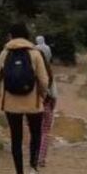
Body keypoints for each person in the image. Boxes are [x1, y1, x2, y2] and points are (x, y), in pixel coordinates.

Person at [0, 22, 49, 174]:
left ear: (11, 36)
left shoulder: (5, 53)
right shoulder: (35, 53)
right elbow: (44, 80)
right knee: (36, 134)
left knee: (16, 138)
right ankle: (33, 168)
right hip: (33, 102)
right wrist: (42, 95)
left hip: (11, 103)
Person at [34, 35, 57, 167]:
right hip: (47, 103)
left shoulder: (32, 70)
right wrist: (53, 104)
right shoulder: (48, 71)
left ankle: (34, 155)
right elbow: (53, 93)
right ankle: (41, 158)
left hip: (33, 104)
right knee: (45, 131)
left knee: (34, 130)